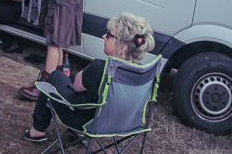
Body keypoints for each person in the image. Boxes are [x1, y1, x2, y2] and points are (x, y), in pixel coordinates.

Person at [22, 12, 155, 142]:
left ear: (122, 47)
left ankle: (37, 131)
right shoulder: (142, 73)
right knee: (77, 77)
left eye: (109, 35)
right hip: (123, 124)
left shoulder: (100, 67)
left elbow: (76, 87)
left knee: (55, 76)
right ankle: (74, 135)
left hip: (87, 123)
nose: (104, 36)